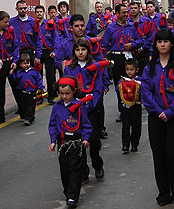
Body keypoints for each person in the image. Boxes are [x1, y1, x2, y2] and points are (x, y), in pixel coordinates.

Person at [141, 28, 174, 207]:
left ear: (171, 43)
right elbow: (146, 91)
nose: (162, 44)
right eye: (159, 41)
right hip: (156, 116)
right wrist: (156, 110)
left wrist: (170, 112)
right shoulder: (150, 67)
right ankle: (163, 192)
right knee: (159, 154)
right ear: (155, 44)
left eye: (166, 41)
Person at [62, 38, 109, 180]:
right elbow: (66, 87)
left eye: (83, 49)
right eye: (77, 50)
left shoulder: (95, 66)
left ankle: (97, 163)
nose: (80, 52)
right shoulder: (69, 67)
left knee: (93, 140)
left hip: (92, 108)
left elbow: (98, 89)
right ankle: (83, 172)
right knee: (78, 141)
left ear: (88, 50)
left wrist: (90, 104)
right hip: (76, 110)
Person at [48, 78, 92, 209]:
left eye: (67, 93)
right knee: (64, 169)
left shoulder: (79, 107)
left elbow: (86, 125)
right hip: (62, 141)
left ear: (74, 91)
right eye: (61, 93)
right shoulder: (57, 106)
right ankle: (67, 191)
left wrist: (86, 138)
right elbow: (53, 125)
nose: (64, 96)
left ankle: (73, 195)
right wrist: (52, 141)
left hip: (76, 141)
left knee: (75, 169)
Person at [101, 4, 144, 121]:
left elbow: (141, 40)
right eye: (124, 12)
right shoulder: (110, 28)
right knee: (119, 84)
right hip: (116, 59)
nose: (126, 14)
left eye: (127, 12)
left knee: (132, 82)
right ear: (117, 14)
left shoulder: (132, 26)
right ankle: (123, 110)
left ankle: (133, 106)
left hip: (129, 57)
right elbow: (104, 44)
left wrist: (133, 45)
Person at [0, 11, 20, 124]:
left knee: (17, 87)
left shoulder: (11, 32)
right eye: (5, 22)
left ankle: (23, 111)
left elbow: (16, 47)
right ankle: (0, 115)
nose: (8, 24)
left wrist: (15, 61)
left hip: (10, 63)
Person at [9, 52, 44, 125]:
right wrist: (11, 75)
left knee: (31, 106)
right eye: (24, 63)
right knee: (24, 105)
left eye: (27, 63)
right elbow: (15, 81)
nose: (26, 65)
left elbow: (39, 79)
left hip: (32, 92)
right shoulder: (19, 73)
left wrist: (40, 87)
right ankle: (27, 116)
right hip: (23, 92)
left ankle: (28, 119)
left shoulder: (34, 72)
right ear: (20, 64)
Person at [117, 58, 142, 154]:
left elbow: (143, 91)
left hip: (136, 106)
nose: (129, 72)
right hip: (125, 107)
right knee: (126, 126)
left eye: (131, 70)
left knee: (136, 126)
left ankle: (135, 144)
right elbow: (117, 91)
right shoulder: (122, 80)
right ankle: (125, 145)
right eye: (127, 70)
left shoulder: (140, 81)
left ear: (136, 70)